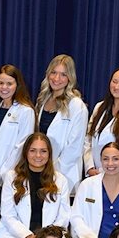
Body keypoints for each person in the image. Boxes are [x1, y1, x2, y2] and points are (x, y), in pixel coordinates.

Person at [0, 133, 71, 238]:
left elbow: (63, 216)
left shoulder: (60, 180)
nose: (38, 156)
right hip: (18, 237)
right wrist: (29, 237)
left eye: (43, 151)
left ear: (49, 154)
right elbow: (8, 215)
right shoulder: (12, 177)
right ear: (26, 152)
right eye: (33, 150)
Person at [33, 54, 88, 187]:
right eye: (54, 73)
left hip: (63, 173)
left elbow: (75, 147)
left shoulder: (76, 105)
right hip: (40, 167)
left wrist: (53, 170)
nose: (57, 78)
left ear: (70, 77)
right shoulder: (43, 100)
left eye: (63, 74)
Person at [0, 64, 35, 174]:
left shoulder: (26, 111)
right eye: (1, 83)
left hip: (13, 173)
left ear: (17, 85)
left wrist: (5, 171)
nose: (4, 87)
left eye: (9, 84)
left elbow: (22, 146)